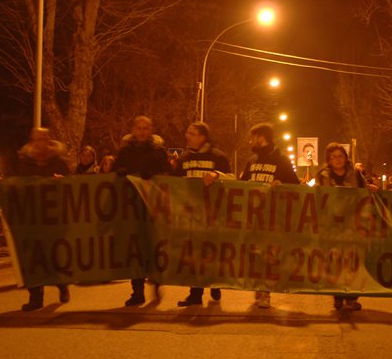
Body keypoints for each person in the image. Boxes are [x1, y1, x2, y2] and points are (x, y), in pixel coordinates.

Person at [240, 123, 300, 308]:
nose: (250, 141)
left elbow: (295, 185)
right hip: (254, 217)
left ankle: (266, 291)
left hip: (274, 218)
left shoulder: (281, 160)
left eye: (253, 137)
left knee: (269, 255)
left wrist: (281, 184)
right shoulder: (252, 161)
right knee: (254, 254)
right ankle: (259, 283)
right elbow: (242, 185)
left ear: (261, 138)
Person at [173, 122, 232, 307]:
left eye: (192, 133)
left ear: (203, 137)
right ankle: (195, 294)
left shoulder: (218, 157)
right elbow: (173, 181)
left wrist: (217, 175)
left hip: (213, 214)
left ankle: (214, 283)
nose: (187, 136)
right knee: (194, 254)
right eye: (187, 132)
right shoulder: (185, 158)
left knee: (211, 252)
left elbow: (233, 180)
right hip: (191, 214)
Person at [113, 115, 168, 306]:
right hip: (131, 208)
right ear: (133, 130)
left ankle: (156, 281)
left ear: (151, 130)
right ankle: (137, 291)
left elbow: (168, 176)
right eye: (138, 128)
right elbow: (114, 171)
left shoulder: (158, 152)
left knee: (152, 245)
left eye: (145, 128)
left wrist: (154, 176)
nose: (142, 132)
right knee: (135, 249)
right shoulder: (125, 152)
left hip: (152, 207)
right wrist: (120, 171)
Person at [15, 128, 71, 311]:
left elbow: (71, 184)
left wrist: (62, 181)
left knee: (54, 255)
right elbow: (17, 185)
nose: (39, 143)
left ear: (48, 140)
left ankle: (62, 284)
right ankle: (35, 298)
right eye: (36, 139)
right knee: (33, 258)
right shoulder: (25, 162)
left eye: (43, 139)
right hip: (32, 218)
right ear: (32, 140)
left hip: (54, 218)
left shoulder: (58, 162)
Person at [315, 143, 366, 311]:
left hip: (352, 224)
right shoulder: (322, 176)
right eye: (334, 157)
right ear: (329, 160)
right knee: (335, 260)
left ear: (346, 158)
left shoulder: (355, 175)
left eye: (341, 156)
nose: (338, 160)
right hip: (332, 226)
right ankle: (337, 295)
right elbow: (317, 197)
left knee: (352, 260)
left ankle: (351, 297)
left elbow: (364, 193)